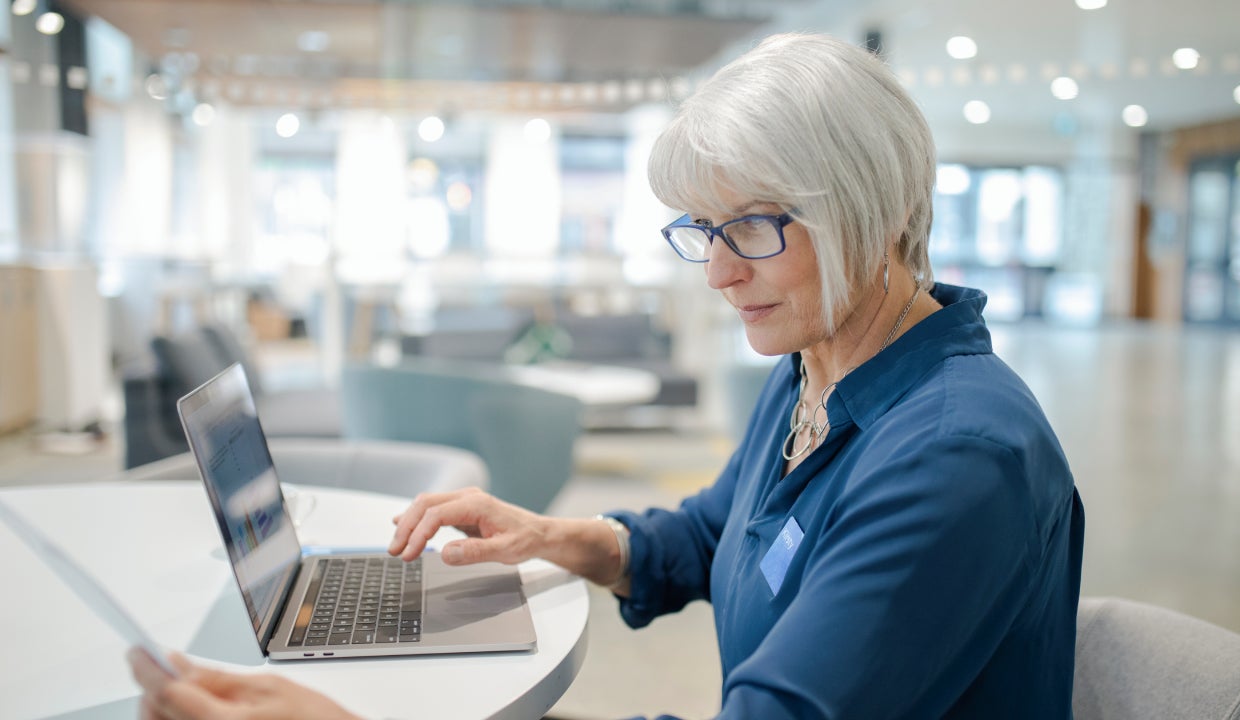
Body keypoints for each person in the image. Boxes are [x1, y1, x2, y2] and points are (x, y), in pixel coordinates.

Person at [129, 32, 1084, 719]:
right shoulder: (819, 364)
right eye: (704, 233)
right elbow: (711, 535)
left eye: (752, 227)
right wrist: (548, 535)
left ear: (876, 216)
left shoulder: (957, 456)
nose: (716, 272)